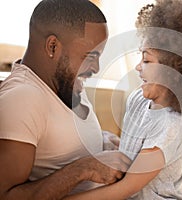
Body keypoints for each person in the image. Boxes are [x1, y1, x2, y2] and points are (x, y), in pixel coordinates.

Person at [64, 0, 182, 199]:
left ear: (175, 71)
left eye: (147, 60)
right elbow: (136, 150)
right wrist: (115, 143)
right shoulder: (138, 98)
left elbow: (128, 187)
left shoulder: (171, 126)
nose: (138, 67)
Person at [0, 0, 131, 199]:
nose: (95, 68)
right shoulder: (23, 97)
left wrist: (99, 140)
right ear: (52, 46)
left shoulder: (65, 81)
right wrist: (82, 169)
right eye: (90, 56)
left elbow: (55, 138)